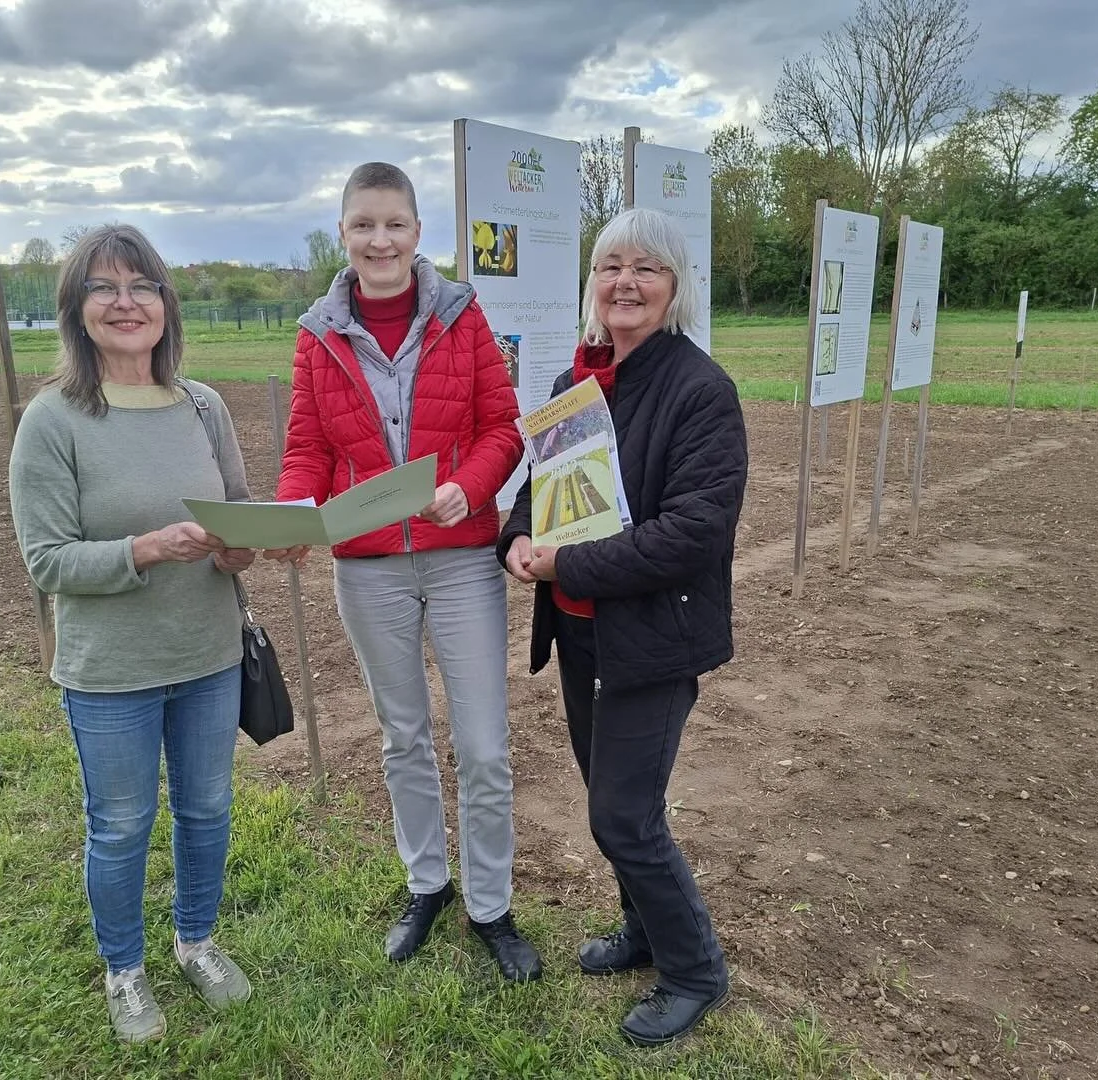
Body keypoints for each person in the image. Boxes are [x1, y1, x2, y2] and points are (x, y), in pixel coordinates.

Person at [265, 162, 542, 981]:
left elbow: (504, 426)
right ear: (343, 234)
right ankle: (429, 884)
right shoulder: (317, 334)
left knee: (484, 746)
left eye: (394, 224)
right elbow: (308, 448)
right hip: (370, 568)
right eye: (362, 226)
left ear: (418, 234)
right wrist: (290, 512)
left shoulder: (462, 315)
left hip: (458, 560)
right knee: (405, 736)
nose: (379, 240)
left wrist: (470, 486)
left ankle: (491, 904)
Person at [498, 208, 748, 1045]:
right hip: (581, 634)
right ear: (591, 282)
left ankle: (694, 969)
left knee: (621, 818)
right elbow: (541, 491)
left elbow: (693, 533)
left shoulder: (701, 389)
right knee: (619, 801)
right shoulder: (582, 381)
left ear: (675, 286)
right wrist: (517, 540)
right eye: (610, 266)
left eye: (646, 268)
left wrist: (565, 565)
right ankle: (643, 932)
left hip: (654, 638)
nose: (624, 283)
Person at [9, 224, 254, 1043]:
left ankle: (196, 942)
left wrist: (248, 544)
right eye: (104, 289)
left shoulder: (203, 405)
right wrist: (144, 550)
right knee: (119, 824)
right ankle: (125, 969)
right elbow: (46, 561)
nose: (126, 303)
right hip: (110, 669)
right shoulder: (53, 420)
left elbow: (237, 518)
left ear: (165, 303)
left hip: (209, 654)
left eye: (142, 286)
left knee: (208, 808)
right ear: (77, 311)